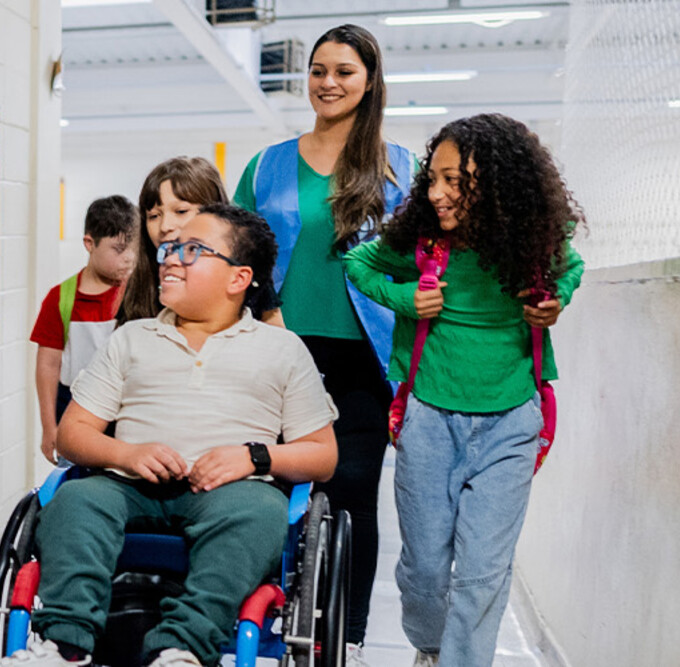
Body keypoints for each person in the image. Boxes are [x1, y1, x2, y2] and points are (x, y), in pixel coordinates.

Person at [0, 204, 338, 667]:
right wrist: (128, 452)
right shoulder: (132, 338)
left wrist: (254, 458)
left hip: (232, 492)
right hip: (126, 486)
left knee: (260, 513)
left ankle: (182, 648)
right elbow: (71, 435)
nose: (171, 258)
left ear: (238, 279)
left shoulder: (282, 349)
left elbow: (322, 454)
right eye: (170, 248)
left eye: (193, 250)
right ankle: (65, 644)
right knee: (74, 503)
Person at [343, 113, 584, 667]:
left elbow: (571, 267)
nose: (438, 193)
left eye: (456, 181)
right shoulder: (423, 240)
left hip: (511, 420)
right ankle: (430, 647)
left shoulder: (536, 240)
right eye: (434, 179)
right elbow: (358, 262)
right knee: (425, 567)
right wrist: (404, 299)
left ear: (497, 184)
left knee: (481, 571)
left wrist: (555, 300)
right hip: (430, 416)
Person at [230, 24, 415, 664]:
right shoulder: (268, 164)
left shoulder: (400, 169)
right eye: (318, 70)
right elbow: (237, 251)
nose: (328, 83)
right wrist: (267, 310)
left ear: (369, 83)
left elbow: (423, 262)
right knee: (268, 492)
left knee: (354, 496)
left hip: (363, 355)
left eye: (344, 71)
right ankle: (264, 618)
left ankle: (351, 637)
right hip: (280, 348)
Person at [31, 195, 137, 462]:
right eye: (119, 249)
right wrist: (49, 426)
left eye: (134, 249)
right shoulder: (61, 298)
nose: (129, 258)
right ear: (90, 244)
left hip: (127, 415)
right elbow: (48, 365)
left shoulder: (136, 296)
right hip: (75, 412)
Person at [116, 157, 238, 325]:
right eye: (153, 216)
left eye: (181, 211)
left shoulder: (244, 283)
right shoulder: (138, 290)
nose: (165, 226)